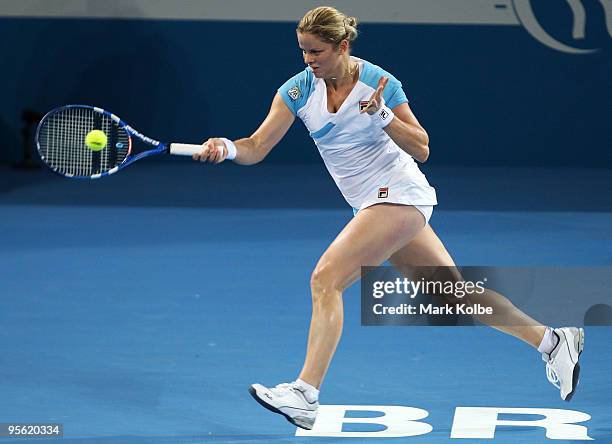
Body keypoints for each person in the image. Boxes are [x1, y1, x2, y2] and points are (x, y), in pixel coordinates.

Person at [193, 6, 585, 430]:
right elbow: (257, 145)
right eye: (303, 52)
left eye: (317, 52)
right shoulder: (297, 90)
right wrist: (227, 148)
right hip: (374, 204)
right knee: (451, 294)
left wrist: (382, 116)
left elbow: (422, 147)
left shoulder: (380, 83)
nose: (309, 60)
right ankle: (552, 341)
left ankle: (305, 393)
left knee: (326, 279)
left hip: (398, 194)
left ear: (342, 46)